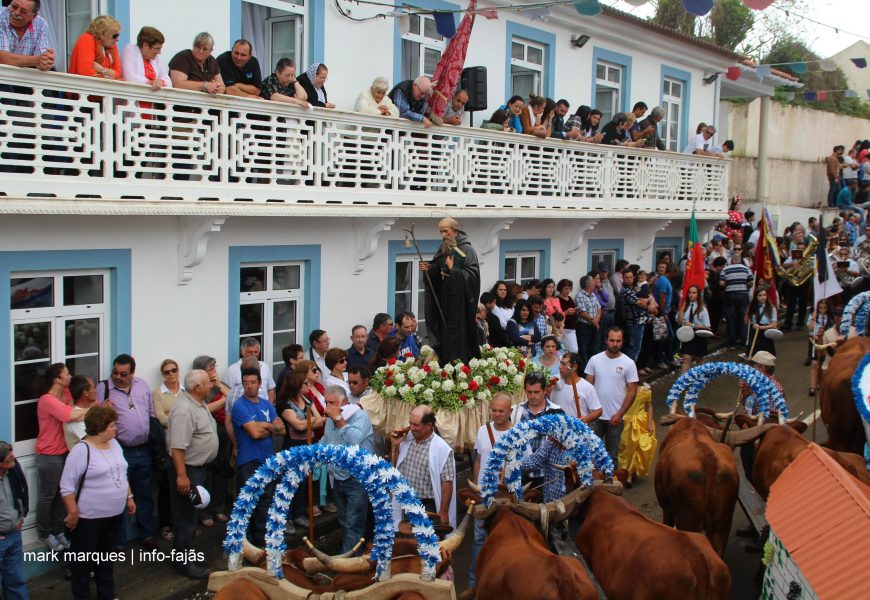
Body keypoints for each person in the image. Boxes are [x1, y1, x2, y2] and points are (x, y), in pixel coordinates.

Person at [60, 406, 136, 599]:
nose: (116, 428)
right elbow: (66, 486)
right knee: (82, 565)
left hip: (114, 515)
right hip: (89, 518)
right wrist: (73, 513)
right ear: (100, 427)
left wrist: (129, 497)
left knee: (106, 562)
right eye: (112, 425)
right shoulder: (81, 450)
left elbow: (121, 472)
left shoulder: (115, 444)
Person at [96, 354, 158, 549]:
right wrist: (103, 410)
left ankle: (146, 535)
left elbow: (151, 412)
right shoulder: (103, 388)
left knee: (144, 493)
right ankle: (118, 542)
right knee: (119, 496)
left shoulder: (142, 385)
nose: (118, 377)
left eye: (123, 374)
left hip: (144, 449)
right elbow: (95, 421)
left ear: (132, 373)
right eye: (115, 372)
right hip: (121, 450)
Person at [164, 370, 218, 579]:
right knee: (184, 515)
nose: (211, 385)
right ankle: (183, 561)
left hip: (197, 468)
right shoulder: (184, 409)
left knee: (191, 514)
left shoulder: (197, 401)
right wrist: (182, 475)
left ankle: (189, 553)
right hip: (187, 469)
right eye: (207, 383)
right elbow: (177, 447)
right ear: (197, 388)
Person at [464, 392, 512, 600]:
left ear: (510, 411)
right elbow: (477, 460)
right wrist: (476, 489)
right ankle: (474, 584)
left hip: (507, 496)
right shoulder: (483, 430)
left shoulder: (518, 434)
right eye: (493, 409)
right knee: (479, 539)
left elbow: (525, 465)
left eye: (501, 411)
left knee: (505, 541)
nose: (496, 414)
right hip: (484, 494)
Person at [232, 368, 285, 545]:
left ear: (260, 384)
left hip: (267, 459)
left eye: (253, 382)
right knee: (248, 502)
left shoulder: (266, 404)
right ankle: (243, 543)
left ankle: (261, 541)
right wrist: (271, 427)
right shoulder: (240, 405)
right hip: (249, 460)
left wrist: (264, 426)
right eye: (245, 383)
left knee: (265, 501)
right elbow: (254, 433)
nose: (249, 386)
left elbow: (282, 430)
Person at [36, 363, 85, 551]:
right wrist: (90, 413)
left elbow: (76, 410)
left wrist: (81, 412)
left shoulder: (65, 395)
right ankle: (44, 533)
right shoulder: (46, 400)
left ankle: (57, 530)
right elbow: (69, 415)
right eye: (67, 374)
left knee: (60, 495)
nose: (70, 376)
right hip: (48, 455)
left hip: (63, 453)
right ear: (58, 379)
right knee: (47, 496)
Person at [320, 385, 374, 553]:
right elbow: (326, 441)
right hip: (337, 478)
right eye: (326, 402)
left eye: (331, 403)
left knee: (354, 523)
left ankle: (347, 565)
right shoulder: (330, 420)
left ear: (343, 402)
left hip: (356, 479)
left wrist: (339, 419)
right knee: (344, 521)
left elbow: (354, 438)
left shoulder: (360, 417)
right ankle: (352, 556)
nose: (327, 407)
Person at [421, 217, 481, 363]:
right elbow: (439, 268)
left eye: (446, 231)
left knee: (458, 336)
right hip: (444, 300)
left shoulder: (467, 249)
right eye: (441, 232)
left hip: (459, 305)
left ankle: (459, 363)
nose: (443, 235)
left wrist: (452, 270)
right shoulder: (444, 247)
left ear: (455, 231)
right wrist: (429, 269)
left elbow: (472, 276)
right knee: (443, 333)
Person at [393, 405, 456, 527]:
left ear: (429, 425)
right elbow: (396, 468)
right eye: (410, 423)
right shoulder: (406, 441)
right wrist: (395, 446)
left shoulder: (442, 449)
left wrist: (443, 511)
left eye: (416, 425)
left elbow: (447, 481)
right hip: (406, 502)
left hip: (427, 506)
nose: (411, 428)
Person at [585, 327, 639, 468]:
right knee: (590, 454)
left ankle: (610, 485)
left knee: (612, 456)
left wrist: (620, 413)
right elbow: (587, 388)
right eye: (612, 340)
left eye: (618, 341)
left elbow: (633, 391)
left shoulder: (629, 363)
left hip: (615, 418)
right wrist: (589, 414)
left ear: (622, 342)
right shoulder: (594, 360)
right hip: (595, 417)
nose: (615, 344)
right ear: (606, 341)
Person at [190, 355, 231, 529]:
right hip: (204, 438)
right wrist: (223, 401)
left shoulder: (219, 386)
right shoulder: (196, 389)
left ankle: (219, 508)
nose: (213, 372)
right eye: (209, 369)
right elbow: (205, 408)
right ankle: (204, 513)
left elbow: (234, 399)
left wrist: (219, 386)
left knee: (221, 472)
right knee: (205, 475)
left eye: (214, 367)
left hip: (223, 434)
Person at [509, 373, 561, 491]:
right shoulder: (515, 411)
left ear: (545, 390)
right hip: (521, 473)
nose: (532, 396)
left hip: (547, 474)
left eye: (536, 392)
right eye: (529, 392)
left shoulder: (556, 412)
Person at [0, 440, 28, 600]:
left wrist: (21, 516)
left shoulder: (13, 471)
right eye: (8, 459)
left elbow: (22, 492)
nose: (13, 460)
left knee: (15, 579)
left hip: (14, 535)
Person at [615, 383, 656, 487]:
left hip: (640, 422)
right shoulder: (621, 390)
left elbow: (649, 406)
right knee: (625, 449)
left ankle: (629, 475)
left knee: (636, 448)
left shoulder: (644, 391)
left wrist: (650, 423)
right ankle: (624, 472)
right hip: (626, 422)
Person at [0, 0, 54, 71]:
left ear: (33, 16)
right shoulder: (1, 16)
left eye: (23, 11)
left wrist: (46, 62)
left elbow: (42, 63)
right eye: (14, 6)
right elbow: (3, 59)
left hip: (23, 79)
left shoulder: (41, 25)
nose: (16, 13)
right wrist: (37, 60)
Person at [550, 353, 602, 423]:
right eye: (560, 363)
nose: (560, 367)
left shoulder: (587, 387)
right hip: (557, 429)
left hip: (576, 430)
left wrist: (586, 418)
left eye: (564, 364)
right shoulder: (555, 383)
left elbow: (598, 410)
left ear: (574, 366)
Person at [223, 338, 276, 403]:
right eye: (250, 352)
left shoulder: (265, 366)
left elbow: (270, 389)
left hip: (264, 409)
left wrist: (269, 408)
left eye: (256, 352)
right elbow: (227, 393)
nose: (253, 355)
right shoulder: (232, 370)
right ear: (242, 352)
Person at [68, 15, 121, 79]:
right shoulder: (86, 39)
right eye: (115, 36)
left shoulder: (112, 45)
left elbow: (118, 74)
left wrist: (102, 70)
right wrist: (110, 75)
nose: (117, 39)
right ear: (102, 33)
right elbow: (86, 72)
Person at [677, 285, 710, 373]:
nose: (691, 295)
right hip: (686, 335)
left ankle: (701, 378)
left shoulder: (702, 308)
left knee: (699, 358)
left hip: (698, 335)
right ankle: (683, 381)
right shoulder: (685, 306)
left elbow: (707, 326)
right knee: (686, 358)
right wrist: (681, 310)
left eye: (694, 293)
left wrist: (692, 325)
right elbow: (679, 322)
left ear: (698, 295)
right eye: (690, 292)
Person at [722, 254, 753, 347]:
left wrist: (728, 284)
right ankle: (743, 340)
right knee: (743, 317)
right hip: (742, 294)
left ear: (732, 260)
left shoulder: (726, 269)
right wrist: (745, 285)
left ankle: (732, 341)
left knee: (731, 319)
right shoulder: (746, 268)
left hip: (730, 295)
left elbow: (721, 282)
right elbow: (751, 281)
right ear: (740, 260)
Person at [619, 270, 647, 362]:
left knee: (636, 348)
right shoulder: (626, 291)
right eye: (627, 278)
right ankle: (630, 372)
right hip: (633, 322)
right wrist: (649, 302)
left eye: (631, 277)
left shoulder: (632, 289)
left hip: (639, 321)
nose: (629, 280)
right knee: (633, 349)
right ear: (623, 279)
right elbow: (640, 303)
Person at [807, 299, 833, 396]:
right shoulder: (813, 317)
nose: (822, 310)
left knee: (822, 364)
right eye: (820, 308)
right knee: (814, 363)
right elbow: (809, 328)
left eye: (824, 308)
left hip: (825, 342)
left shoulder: (830, 318)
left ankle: (820, 383)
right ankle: (812, 386)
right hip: (814, 341)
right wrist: (814, 317)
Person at [574, 275, 601, 367]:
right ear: (588, 284)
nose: (595, 282)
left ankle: (592, 370)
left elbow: (599, 307)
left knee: (594, 350)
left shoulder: (593, 294)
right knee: (583, 350)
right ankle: (583, 373)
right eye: (593, 281)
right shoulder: (580, 296)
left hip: (594, 325)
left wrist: (597, 318)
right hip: (584, 326)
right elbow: (582, 312)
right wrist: (593, 321)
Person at [64, 375, 96, 450]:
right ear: (86, 393)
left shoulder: (91, 408)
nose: (96, 390)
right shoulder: (74, 420)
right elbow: (94, 441)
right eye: (94, 388)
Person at [745, 287, 779, 356]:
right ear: (756, 297)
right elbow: (746, 322)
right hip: (755, 335)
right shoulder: (753, 307)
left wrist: (760, 327)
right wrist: (748, 313)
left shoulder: (771, 308)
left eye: (764, 295)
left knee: (767, 358)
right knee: (754, 357)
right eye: (760, 295)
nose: (763, 297)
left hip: (766, 335)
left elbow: (774, 325)